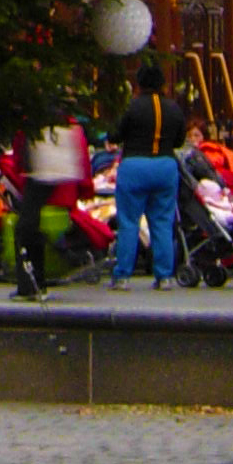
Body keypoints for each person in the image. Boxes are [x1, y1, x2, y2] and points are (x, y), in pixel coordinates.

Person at [108, 60, 186, 288]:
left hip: (134, 165)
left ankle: (123, 275)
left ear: (139, 83)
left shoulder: (132, 107)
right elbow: (180, 140)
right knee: (162, 222)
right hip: (165, 164)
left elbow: (115, 135)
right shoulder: (173, 108)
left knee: (129, 222)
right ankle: (165, 276)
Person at [13, 117, 91, 300]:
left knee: (25, 227)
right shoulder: (70, 123)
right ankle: (36, 283)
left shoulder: (33, 119)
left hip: (40, 171)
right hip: (56, 174)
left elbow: (20, 149)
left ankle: (30, 285)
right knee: (29, 226)